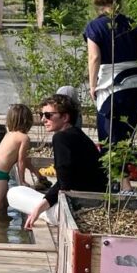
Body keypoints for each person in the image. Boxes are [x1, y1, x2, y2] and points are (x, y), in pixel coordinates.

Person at [84, 0, 137, 145]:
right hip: (136, 85)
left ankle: (113, 170)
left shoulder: (94, 27)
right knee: (127, 139)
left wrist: (92, 86)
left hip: (112, 87)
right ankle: (128, 168)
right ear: (118, 2)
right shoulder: (131, 23)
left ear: (98, 3)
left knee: (109, 141)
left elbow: (94, 58)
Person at [23, 94, 108, 230]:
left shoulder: (61, 138)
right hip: (96, 202)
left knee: (15, 193)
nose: (43, 119)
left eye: (48, 115)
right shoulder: (79, 136)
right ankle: (42, 210)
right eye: (41, 115)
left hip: (76, 210)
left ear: (65, 117)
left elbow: (64, 186)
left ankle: (43, 214)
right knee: (38, 197)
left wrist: (39, 209)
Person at [0, 104, 48, 219]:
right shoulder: (24, 138)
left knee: (4, 204)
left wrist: (38, 175)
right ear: (28, 121)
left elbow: (25, 160)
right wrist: (22, 180)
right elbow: (21, 161)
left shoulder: (9, 134)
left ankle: (4, 222)